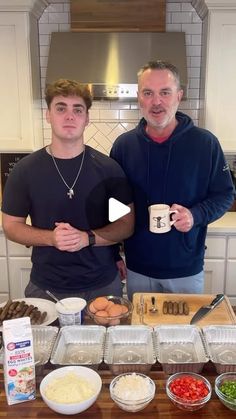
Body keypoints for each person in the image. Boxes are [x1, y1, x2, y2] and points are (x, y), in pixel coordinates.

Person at [110, 60, 234, 300]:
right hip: (137, 268)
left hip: (185, 270)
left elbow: (225, 194)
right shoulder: (123, 147)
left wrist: (194, 215)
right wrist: (114, 253)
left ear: (179, 95)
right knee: (141, 334)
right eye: (148, 93)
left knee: (184, 335)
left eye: (165, 92)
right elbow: (114, 206)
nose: (157, 102)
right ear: (139, 98)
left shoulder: (205, 144)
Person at [1, 79, 134, 301]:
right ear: (48, 115)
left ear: (87, 118)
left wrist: (88, 238)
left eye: (78, 109)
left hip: (102, 286)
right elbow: (11, 226)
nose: (69, 116)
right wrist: (51, 238)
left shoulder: (109, 169)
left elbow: (126, 224)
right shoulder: (25, 170)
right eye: (61, 108)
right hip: (46, 288)